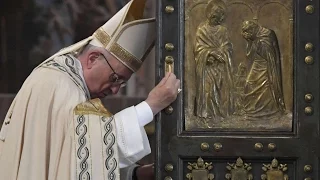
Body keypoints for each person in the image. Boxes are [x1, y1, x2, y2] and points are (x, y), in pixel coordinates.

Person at [0, 0, 180, 179]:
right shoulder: (59, 84)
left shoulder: (66, 79)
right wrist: (150, 106)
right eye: (115, 78)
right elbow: (87, 148)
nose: (115, 90)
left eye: (122, 83)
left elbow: (72, 162)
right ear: (93, 58)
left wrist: (135, 174)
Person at [194, 0, 234, 120]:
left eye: (220, 15)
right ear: (210, 14)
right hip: (207, 67)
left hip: (220, 66)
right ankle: (208, 114)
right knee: (208, 91)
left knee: (220, 91)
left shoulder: (223, 30)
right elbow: (198, 49)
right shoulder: (202, 30)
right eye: (216, 14)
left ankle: (220, 114)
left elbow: (227, 46)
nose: (218, 18)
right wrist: (209, 54)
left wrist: (220, 53)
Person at [241, 20, 285, 119]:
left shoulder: (266, 36)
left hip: (265, 65)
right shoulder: (256, 37)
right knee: (249, 83)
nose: (246, 34)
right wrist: (249, 41)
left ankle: (267, 111)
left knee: (265, 86)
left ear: (253, 30)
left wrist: (257, 42)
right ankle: (252, 110)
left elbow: (269, 56)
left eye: (247, 32)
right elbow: (249, 55)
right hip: (257, 62)